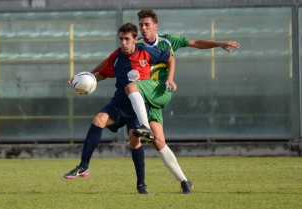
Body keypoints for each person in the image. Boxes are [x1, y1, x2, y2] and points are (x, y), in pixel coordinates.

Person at [125, 9, 241, 194]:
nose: (143, 28)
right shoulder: (135, 45)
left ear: (156, 26)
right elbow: (114, 62)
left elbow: (194, 43)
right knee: (156, 141)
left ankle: (144, 127)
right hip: (146, 98)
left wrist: (218, 43)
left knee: (131, 88)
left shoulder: (168, 41)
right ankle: (185, 181)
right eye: (140, 25)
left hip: (160, 90)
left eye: (147, 25)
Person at [63, 22, 176, 195]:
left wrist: (170, 78)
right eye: (121, 39)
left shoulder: (146, 52)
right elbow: (102, 74)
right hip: (119, 102)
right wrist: (83, 78)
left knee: (134, 140)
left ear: (135, 39)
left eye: (127, 39)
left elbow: (169, 57)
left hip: (138, 107)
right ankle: (84, 166)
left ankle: (141, 184)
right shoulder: (116, 56)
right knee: (99, 119)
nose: (123, 43)